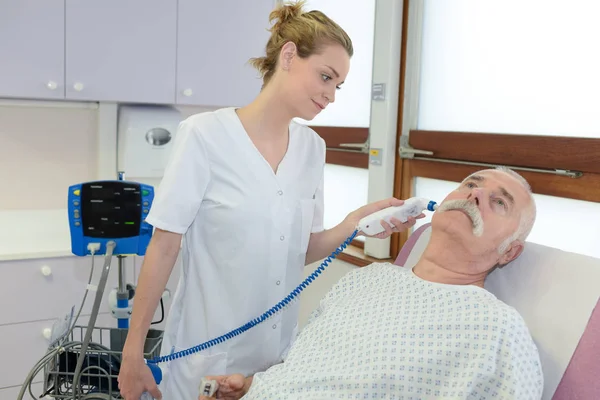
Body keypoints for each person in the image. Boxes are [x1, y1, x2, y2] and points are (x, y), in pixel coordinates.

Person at [117, 2, 423, 399]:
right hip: (207, 361)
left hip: (277, 369)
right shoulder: (205, 136)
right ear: (290, 55)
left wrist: (355, 221)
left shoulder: (312, 148)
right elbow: (164, 246)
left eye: (338, 86)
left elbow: (301, 250)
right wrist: (133, 351)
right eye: (326, 77)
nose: (331, 95)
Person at [199, 167, 545, 400]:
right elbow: (308, 367)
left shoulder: (497, 328)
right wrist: (251, 387)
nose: (475, 195)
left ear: (509, 252)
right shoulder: (367, 279)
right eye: (471, 184)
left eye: (499, 202)